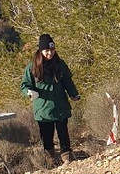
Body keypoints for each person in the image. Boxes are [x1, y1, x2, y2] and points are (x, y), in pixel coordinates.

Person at [21, 33, 80, 164]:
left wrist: (74, 94)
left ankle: (66, 155)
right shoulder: (32, 67)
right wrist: (29, 92)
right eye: (47, 50)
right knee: (46, 135)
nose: (50, 53)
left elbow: (67, 81)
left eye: (52, 50)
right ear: (41, 50)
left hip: (60, 104)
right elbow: (25, 85)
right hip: (42, 108)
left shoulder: (60, 64)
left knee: (63, 132)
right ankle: (50, 157)